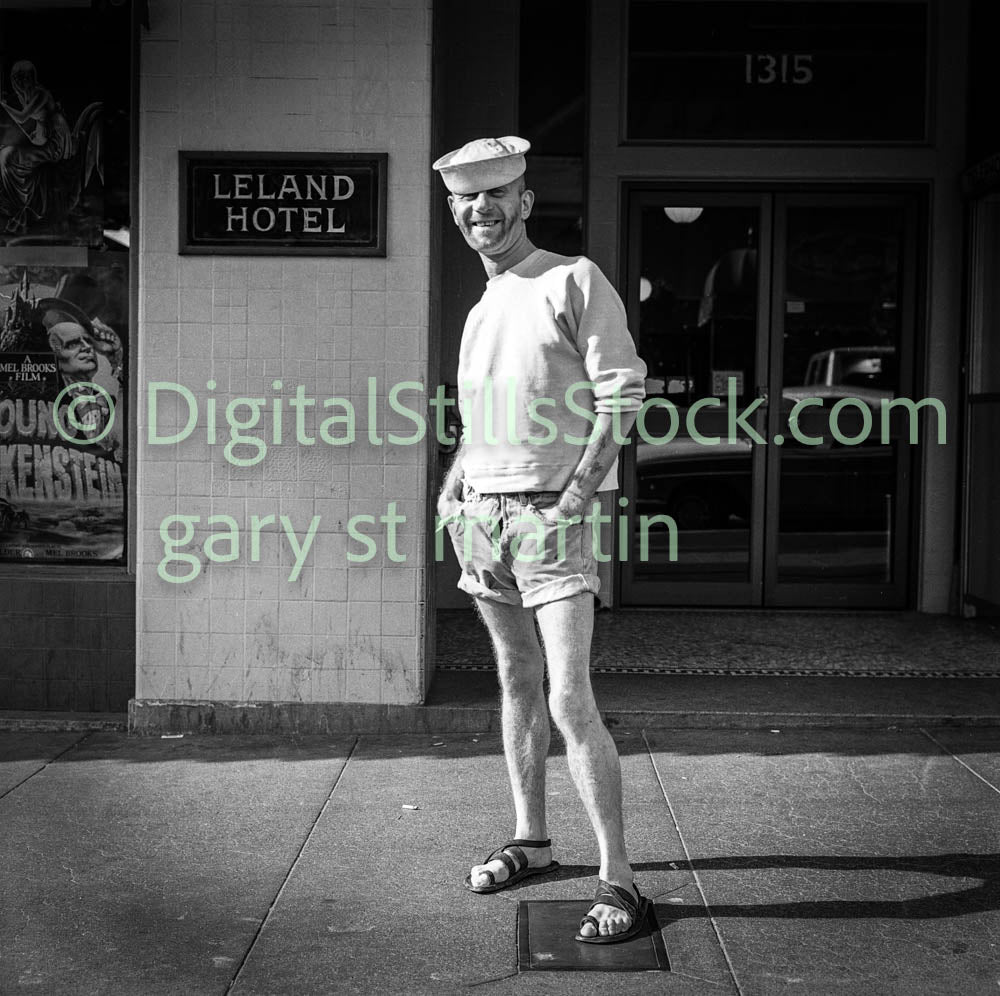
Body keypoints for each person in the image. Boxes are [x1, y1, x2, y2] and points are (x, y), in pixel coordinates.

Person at [433, 136, 648, 943]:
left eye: (496, 196)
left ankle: (619, 879)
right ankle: (531, 838)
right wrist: (455, 483)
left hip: (550, 515)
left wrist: (573, 499)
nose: (481, 211)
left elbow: (622, 397)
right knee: (516, 680)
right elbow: (487, 417)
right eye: (466, 200)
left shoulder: (572, 277)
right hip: (483, 518)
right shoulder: (483, 303)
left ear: (525, 200)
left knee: (567, 695)